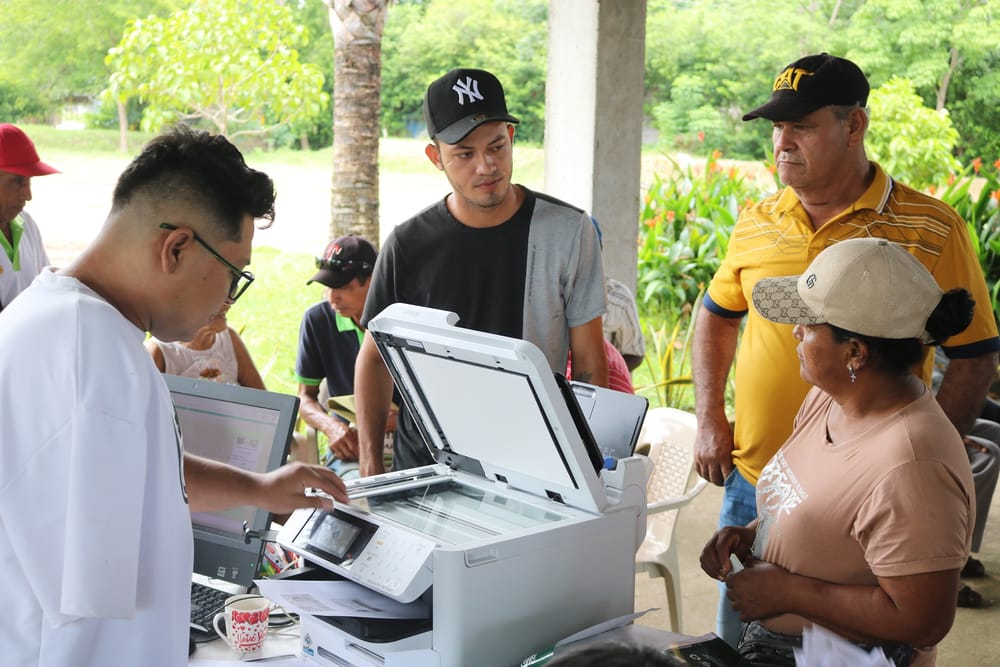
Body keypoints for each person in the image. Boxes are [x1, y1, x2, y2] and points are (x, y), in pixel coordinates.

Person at [0, 126, 348, 667]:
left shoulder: (61, 319)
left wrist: (258, 487)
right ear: (177, 247)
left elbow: (142, 472)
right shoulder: (93, 358)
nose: (228, 299)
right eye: (234, 275)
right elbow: (90, 619)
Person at [692, 53, 1000, 645]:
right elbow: (716, 318)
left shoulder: (929, 228)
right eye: (777, 127)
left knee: (850, 629)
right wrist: (710, 418)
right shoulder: (756, 220)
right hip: (766, 476)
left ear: (853, 125)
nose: (782, 142)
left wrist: (921, 462)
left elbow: (976, 352)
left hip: (869, 499)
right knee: (741, 637)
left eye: (801, 126)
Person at [701, 238, 977, 666]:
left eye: (809, 324)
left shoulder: (913, 466)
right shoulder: (830, 400)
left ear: (855, 352)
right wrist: (754, 535)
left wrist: (789, 592)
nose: (795, 331)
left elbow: (924, 619)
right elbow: (834, 513)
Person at [354, 67, 609, 477]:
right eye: (465, 154)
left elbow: (589, 360)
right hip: (426, 466)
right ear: (436, 157)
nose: (487, 166)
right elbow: (374, 359)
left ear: (511, 138)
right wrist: (369, 466)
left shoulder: (567, 231)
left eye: (496, 146)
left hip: (529, 464)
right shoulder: (409, 244)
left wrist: (589, 464)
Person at [295, 235, 395, 472]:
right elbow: (304, 397)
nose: (332, 298)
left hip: (408, 449)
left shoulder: (400, 321)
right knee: (348, 501)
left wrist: (400, 422)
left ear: (372, 281)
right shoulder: (317, 321)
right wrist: (331, 428)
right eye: (328, 287)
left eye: (342, 288)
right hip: (350, 451)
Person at [0, 123, 58, 311]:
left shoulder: (26, 225)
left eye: (29, 181)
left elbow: (47, 290)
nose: (28, 195)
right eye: (18, 181)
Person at [146, 303, 265, 388]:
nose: (228, 305)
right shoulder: (160, 352)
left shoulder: (229, 338)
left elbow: (263, 401)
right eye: (219, 297)